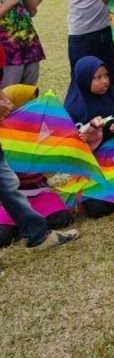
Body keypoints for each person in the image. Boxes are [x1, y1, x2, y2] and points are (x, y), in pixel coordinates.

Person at [64, 56, 114, 218]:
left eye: (106, 75)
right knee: (97, 209)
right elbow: (73, 150)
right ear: (83, 80)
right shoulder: (72, 108)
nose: (105, 81)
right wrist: (91, 128)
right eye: (98, 78)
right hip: (94, 165)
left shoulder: (112, 95)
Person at [0, 86, 80, 250]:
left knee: (63, 218)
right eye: (29, 105)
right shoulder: (4, 136)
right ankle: (27, 228)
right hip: (10, 201)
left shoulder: (40, 132)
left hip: (38, 194)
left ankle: (32, 229)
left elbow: (49, 173)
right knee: (3, 234)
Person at [0, 0, 44, 88]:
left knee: (27, 101)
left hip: (29, 46)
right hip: (6, 54)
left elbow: (32, 11)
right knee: (7, 103)